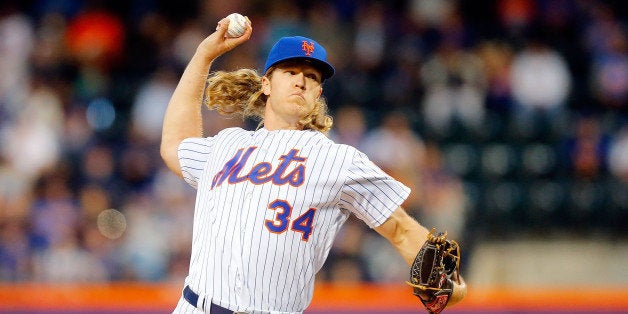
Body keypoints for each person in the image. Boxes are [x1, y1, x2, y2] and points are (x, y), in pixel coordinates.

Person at [160, 15, 466, 314]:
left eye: (311, 77)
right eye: (291, 71)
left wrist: (445, 278)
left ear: (318, 93)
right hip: (194, 306)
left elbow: (400, 228)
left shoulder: (338, 161)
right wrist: (203, 55)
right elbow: (174, 145)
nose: (301, 82)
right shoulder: (227, 144)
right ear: (266, 84)